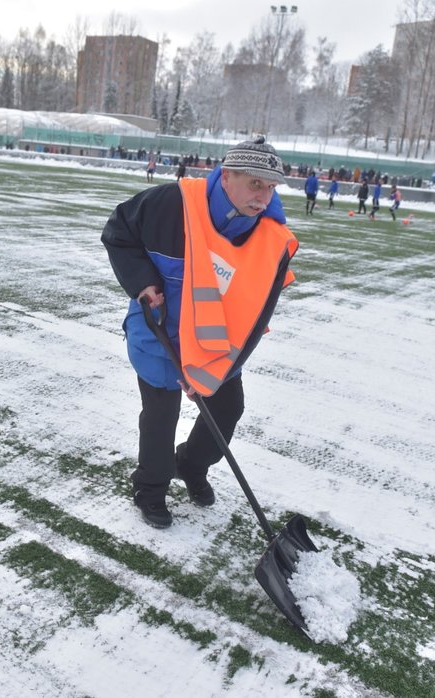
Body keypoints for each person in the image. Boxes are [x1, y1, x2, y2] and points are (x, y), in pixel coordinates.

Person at [101, 137, 299, 529]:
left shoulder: (272, 241)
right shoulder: (170, 203)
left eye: (271, 187)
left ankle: (190, 465)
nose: (263, 197)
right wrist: (143, 282)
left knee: (227, 408)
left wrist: (219, 372)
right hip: (159, 330)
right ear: (227, 176)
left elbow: (256, 319)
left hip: (216, 342)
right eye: (255, 183)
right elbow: (118, 233)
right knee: (161, 414)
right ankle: (151, 488)